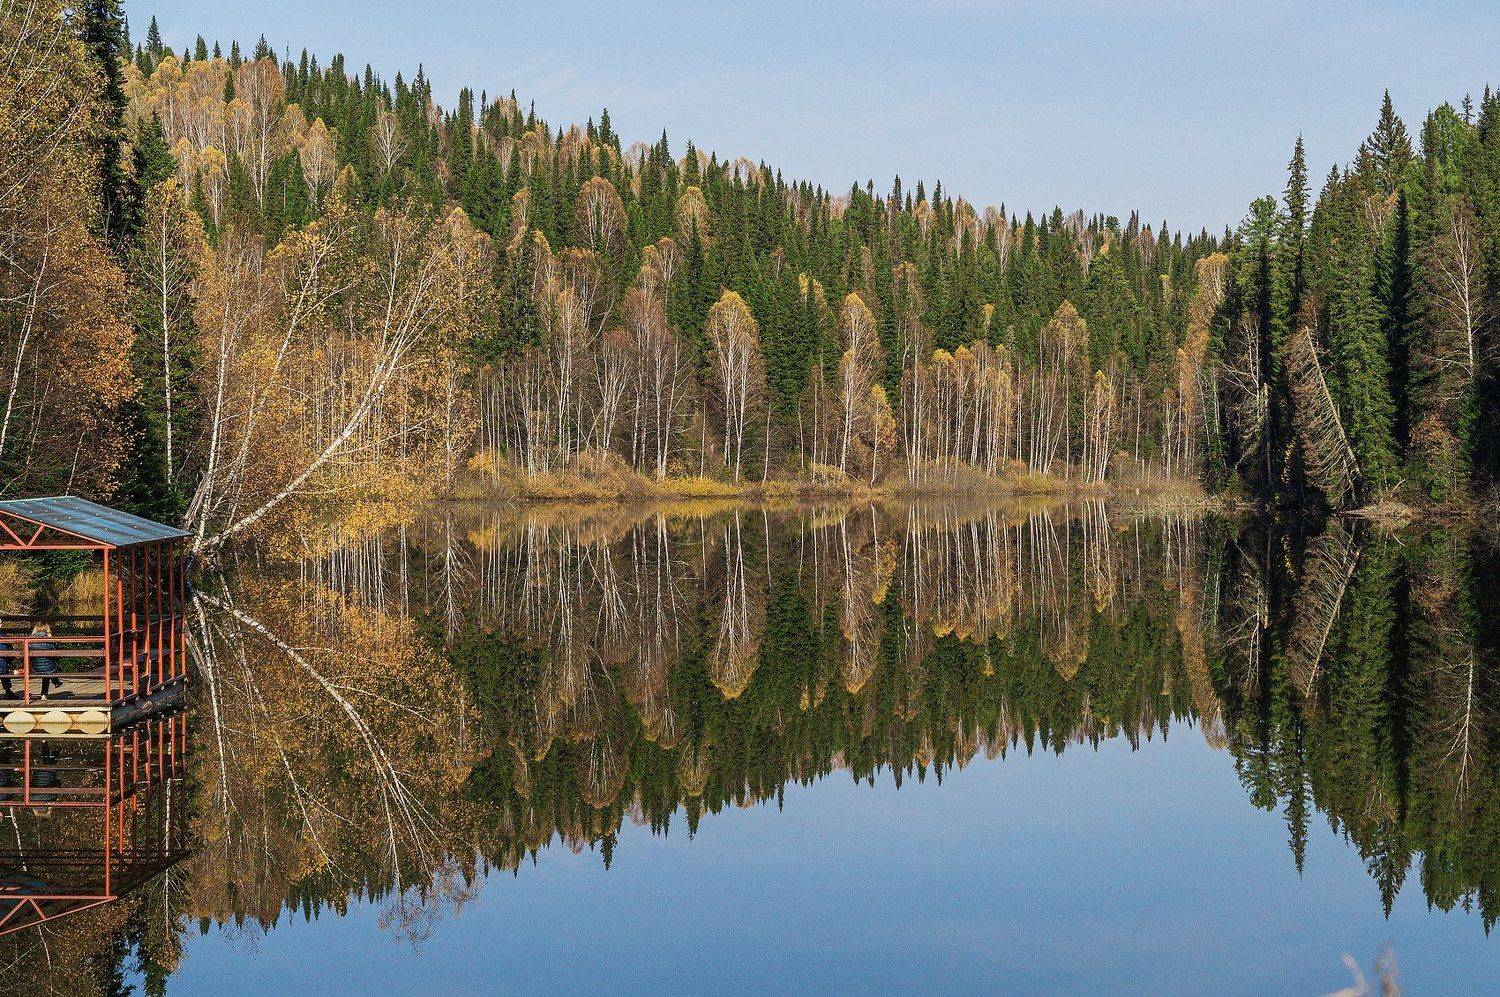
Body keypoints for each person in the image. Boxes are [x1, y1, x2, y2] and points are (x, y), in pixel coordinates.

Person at [27, 624, 59, 701]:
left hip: (35, 668)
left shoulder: (29, 640)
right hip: (48, 668)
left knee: (47, 669)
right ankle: (51, 687)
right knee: (49, 668)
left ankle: (48, 690)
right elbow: (55, 652)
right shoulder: (48, 640)